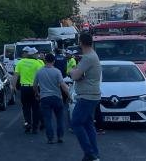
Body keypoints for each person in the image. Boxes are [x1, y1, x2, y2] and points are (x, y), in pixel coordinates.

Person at [70, 33, 102, 161]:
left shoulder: (88, 58)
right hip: (93, 95)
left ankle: (90, 153)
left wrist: (72, 70)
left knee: (76, 123)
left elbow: (75, 76)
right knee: (88, 125)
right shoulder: (93, 55)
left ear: (81, 43)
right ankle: (94, 154)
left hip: (86, 96)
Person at [34, 53, 70, 144]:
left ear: (45, 60)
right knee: (59, 118)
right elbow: (63, 85)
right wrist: (69, 95)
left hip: (45, 98)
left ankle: (50, 138)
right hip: (57, 97)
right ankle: (60, 137)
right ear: (54, 61)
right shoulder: (57, 71)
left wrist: (37, 94)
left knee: (47, 119)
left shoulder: (39, 71)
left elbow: (34, 85)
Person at [12, 47, 44, 134]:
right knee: (35, 108)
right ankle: (35, 128)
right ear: (33, 55)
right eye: (36, 54)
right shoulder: (38, 63)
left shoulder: (20, 62)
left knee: (26, 108)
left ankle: (27, 125)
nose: (37, 55)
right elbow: (42, 76)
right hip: (34, 88)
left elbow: (15, 75)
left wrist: (13, 86)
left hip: (24, 88)